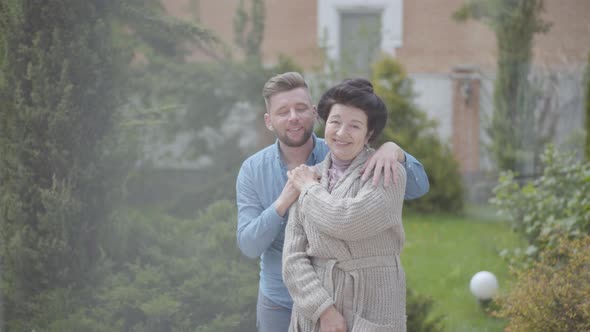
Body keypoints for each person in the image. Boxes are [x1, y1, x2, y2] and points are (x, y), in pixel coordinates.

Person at [236, 72, 428, 332]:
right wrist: (284, 201)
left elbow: (411, 189)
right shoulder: (255, 169)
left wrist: (395, 151)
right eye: (283, 111)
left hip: (366, 301)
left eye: (301, 108)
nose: (293, 117)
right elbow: (265, 249)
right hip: (283, 300)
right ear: (269, 121)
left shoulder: (349, 156)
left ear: (315, 114)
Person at [283, 78, 408, 332]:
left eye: (354, 126)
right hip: (316, 310)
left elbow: (347, 221)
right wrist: (324, 310)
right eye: (335, 122)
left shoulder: (387, 172)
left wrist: (308, 188)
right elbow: (292, 258)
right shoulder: (311, 175)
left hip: (372, 301)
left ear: (369, 133)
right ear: (325, 123)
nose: (341, 133)